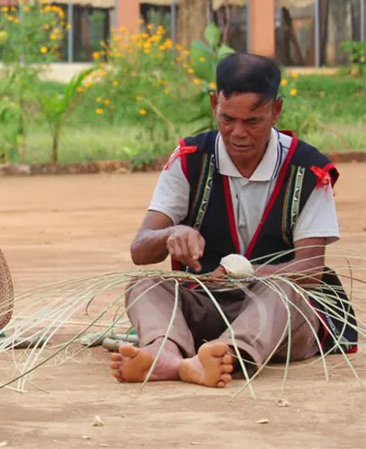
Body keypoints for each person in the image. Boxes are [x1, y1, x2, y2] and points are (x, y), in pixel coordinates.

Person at [111, 53, 357, 388]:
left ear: (276, 110)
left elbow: (310, 271)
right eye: (227, 120)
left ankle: (225, 353)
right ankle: (166, 352)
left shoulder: (308, 170)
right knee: (143, 286)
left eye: (252, 122)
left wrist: (247, 275)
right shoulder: (190, 160)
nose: (238, 133)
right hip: (205, 303)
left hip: (280, 317)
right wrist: (172, 233)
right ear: (214, 104)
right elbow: (140, 250)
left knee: (283, 289)